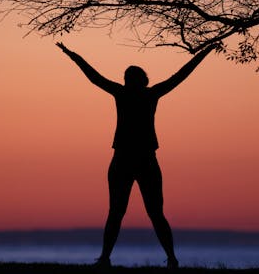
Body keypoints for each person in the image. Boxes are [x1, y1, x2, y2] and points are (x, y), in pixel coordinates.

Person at [57, 42, 213, 269]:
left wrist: (73, 56)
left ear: (137, 80)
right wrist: (73, 55)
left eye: (130, 77)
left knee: (145, 213)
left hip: (139, 159)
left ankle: (166, 258)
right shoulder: (137, 93)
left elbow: (180, 75)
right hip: (130, 159)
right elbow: (95, 77)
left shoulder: (136, 93)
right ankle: (112, 258)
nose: (128, 81)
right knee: (129, 212)